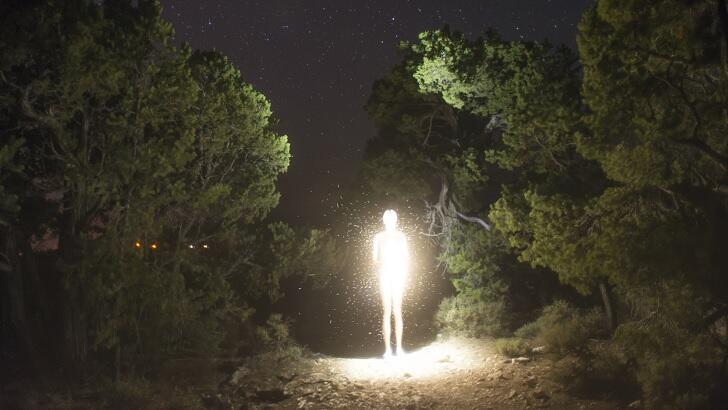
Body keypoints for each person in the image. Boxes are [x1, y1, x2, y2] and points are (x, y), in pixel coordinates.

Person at [373, 209, 408, 358]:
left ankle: (399, 348)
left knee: (397, 311)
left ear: (396, 220)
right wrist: (381, 266)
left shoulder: (401, 236)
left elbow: (407, 257)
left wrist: (403, 270)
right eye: (388, 219)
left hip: (398, 274)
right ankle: (387, 350)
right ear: (384, 220)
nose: (390, 221)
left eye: (392, 218)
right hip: (385, 276)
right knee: (387, 311)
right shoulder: (378, 237)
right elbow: (373, 259)